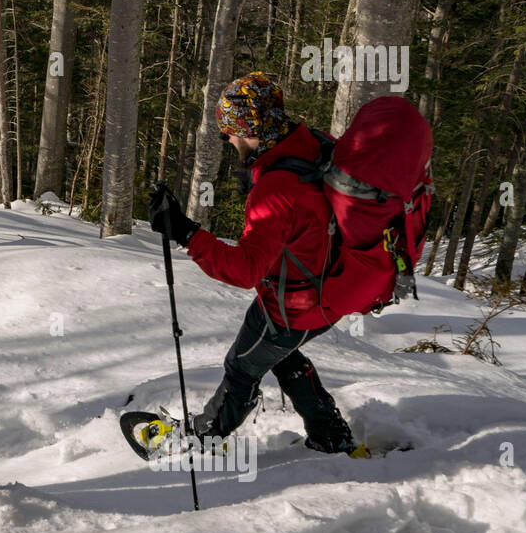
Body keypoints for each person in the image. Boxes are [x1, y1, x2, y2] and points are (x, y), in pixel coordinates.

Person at [148, 72, 366, 457]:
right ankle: (331, 436)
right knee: (280, 355)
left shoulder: (276, 188)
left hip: (293, 304)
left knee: (242, 367)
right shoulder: (310, 144)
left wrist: (185, 233)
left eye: (230, 130)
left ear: (249, 128)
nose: (227, 139)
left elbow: (245, 269)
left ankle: (201, 438)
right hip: (331, 290)